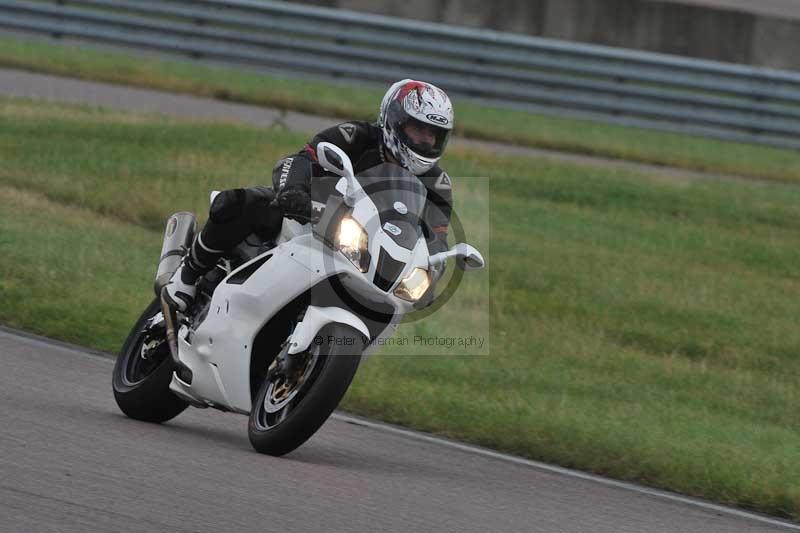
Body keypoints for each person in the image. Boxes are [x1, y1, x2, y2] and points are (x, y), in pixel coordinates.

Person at [163, 79, 455, 313]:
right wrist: (293, 192)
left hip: (364, 251)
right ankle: (187, 275)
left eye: (434, 134)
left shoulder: (438, 183)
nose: (426, 140)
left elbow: (436, 242)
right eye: (419, 129)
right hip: (312, 215)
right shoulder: (357, 136)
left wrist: (429, 275)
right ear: (395, 120)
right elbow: (303, 158)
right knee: (237, 203)